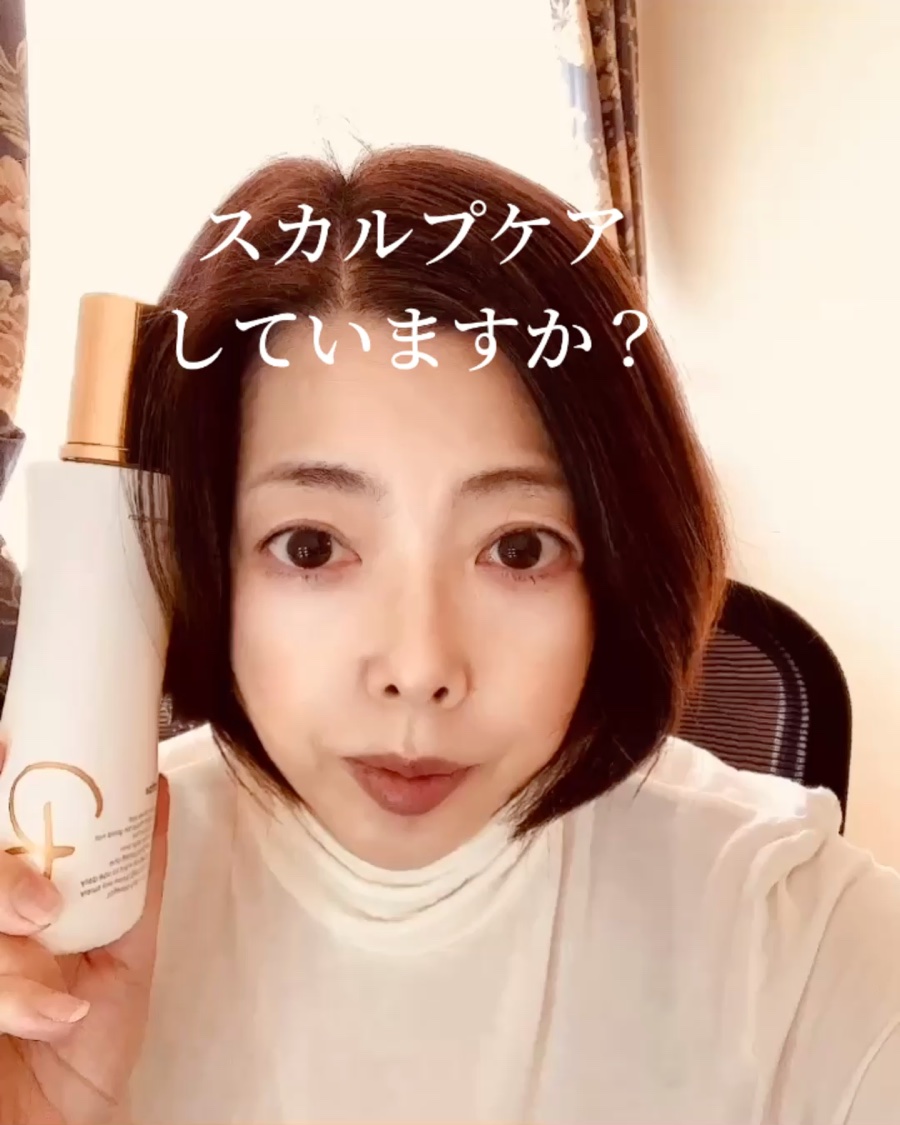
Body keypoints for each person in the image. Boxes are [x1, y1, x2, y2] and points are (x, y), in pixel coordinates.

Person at [0, 145, 898, 1125]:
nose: (420, 668)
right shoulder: (62, 928)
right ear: (205, 559)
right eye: (311, 546)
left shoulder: (797, 939)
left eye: (519, 548)